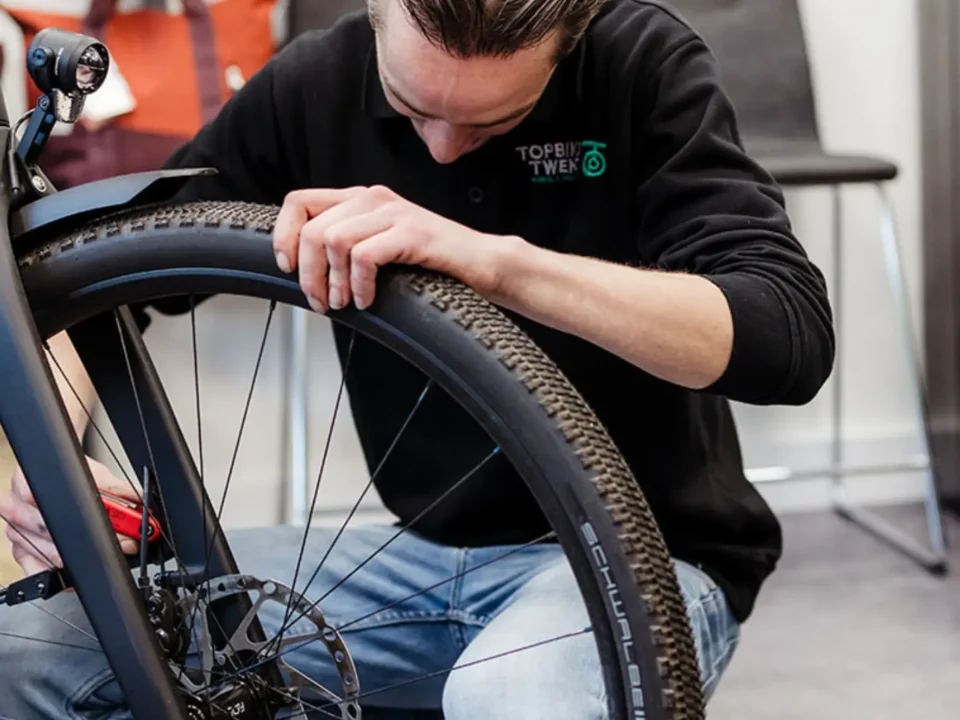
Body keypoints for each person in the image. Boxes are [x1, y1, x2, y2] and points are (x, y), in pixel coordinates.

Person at [0, 0, 835, 718]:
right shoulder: (311, 86)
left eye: (491, 122)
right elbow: (118, 279)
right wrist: (56, 463)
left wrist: (494, 262)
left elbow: (784, 336)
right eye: (409, 106)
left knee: (510, 695)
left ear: (568, 42)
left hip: (647, 562)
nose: (440, 150)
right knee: (31, 649)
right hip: (422, 560)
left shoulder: (640, 62)